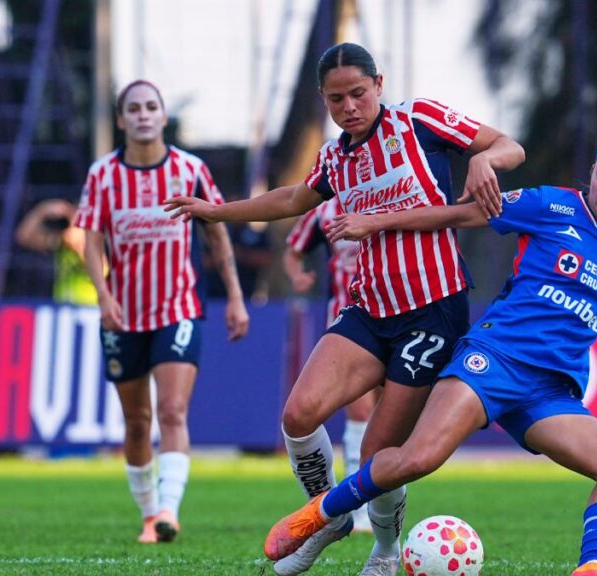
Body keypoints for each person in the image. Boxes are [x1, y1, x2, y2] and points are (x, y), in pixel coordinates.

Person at [263, 124, 597, 576]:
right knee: (416, 459)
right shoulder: (551, 205)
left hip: (550, 394)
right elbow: (459, 214)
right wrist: (377, 222)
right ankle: (319, 514)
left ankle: (594, 566)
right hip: (491, 361)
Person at [165, 42, 524, 575]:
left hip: (433, 309)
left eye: (358, 93)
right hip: (369, 307)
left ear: (379, 84)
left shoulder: (419, 119)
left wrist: (484, 161)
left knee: (380, 459)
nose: (349, 106)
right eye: (336, 99)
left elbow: (509, 147)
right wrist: (217, 211)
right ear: (324, 101)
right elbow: (291, 200)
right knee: (298, 414)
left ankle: (384, 550)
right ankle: (327, 516)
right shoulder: (335, 157)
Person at [75, 80, 250, 545]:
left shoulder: (190, 169)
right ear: (121, 120)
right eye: (133, 108)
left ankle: (170, 510)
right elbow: (91, 240)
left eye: (151, 106)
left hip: (178, 309)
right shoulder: (103, 175)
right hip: (123, 313)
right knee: (136, 421)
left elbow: (216, 232)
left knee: (172, 410)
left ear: (162, 115)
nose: (144, 115)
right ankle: (150, 514)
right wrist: (102, 295)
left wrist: (234, 295)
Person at [283, 195, 380, 533]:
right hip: (348, 323)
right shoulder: (324, 210)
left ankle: (379, 508)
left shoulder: (393, 193)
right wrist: (297, 275)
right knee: (360, 415)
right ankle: (357, 508)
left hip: (395, 316)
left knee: (385, 423)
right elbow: (294, 249)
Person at [15, 198, 97, 305]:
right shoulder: (62, 243)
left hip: (89, 310)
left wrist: (77, 244)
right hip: (62, 309)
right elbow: (24, 237)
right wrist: (42, 211)